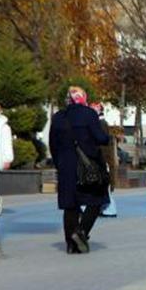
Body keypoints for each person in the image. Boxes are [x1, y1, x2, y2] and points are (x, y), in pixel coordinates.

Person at [49, 87, 110, 254]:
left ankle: (70, 244)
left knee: (70, 205)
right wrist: (107, 137)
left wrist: (59, 163)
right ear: (83, 98)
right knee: (96, 200)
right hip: (87, 166)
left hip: (66, 167)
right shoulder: (89, 114)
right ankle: (81, 232)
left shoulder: (58, 117)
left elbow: (53, 144)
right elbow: (100, 138)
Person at [91, 103, 119, 218]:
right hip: (104, 158)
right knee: (101, 186)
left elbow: (103, 145)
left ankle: (109, 209)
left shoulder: (101, 124)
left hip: (103, 159)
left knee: (104, 186)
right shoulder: (101, 123)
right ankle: (105, 208)